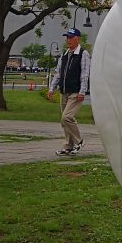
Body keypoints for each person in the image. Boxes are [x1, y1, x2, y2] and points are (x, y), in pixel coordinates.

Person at [47, 27, 91, 156]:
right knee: (64, 121)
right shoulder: (64, 55)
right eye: (67, 37)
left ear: (77, 39)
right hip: (64, 91)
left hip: (75, 92)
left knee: (67, 117)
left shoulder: (83, 54)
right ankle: (68, 146)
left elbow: (85, 74)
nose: (68, 40)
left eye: (70, 37)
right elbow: (58, 73)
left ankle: (79, 141)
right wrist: (52, 88)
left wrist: (82, 91)